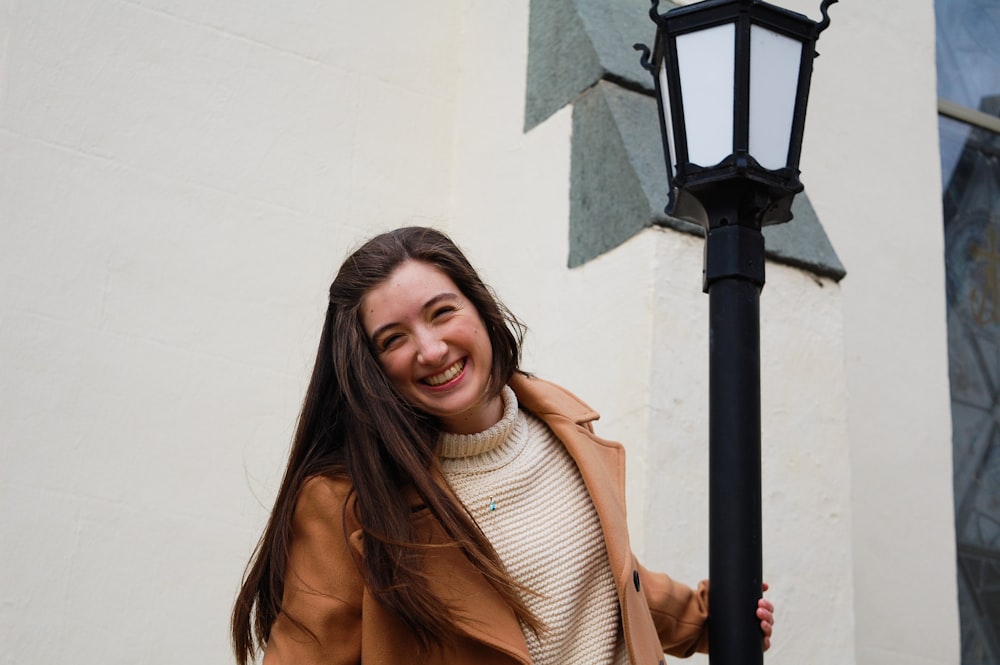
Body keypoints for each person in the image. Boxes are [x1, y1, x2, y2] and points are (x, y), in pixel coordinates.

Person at [231, 226, 775, 665]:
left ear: (480, 309)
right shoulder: (345, 501)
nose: (430, 348)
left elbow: (599, 581)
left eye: (442, 312)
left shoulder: (564, 428)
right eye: (393, 339)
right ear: (371, 369)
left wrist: (711, 618)